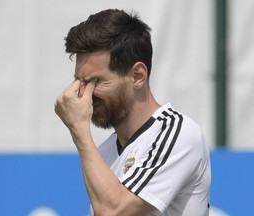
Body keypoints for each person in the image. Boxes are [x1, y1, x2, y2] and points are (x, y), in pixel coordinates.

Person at [55, 9, 211, 216]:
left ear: (137, 76)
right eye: (79, 82)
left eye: (96, 82)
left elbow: (113, 211)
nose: (84, 94)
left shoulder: (178, 134)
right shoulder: (103, 152)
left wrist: (79, 129)